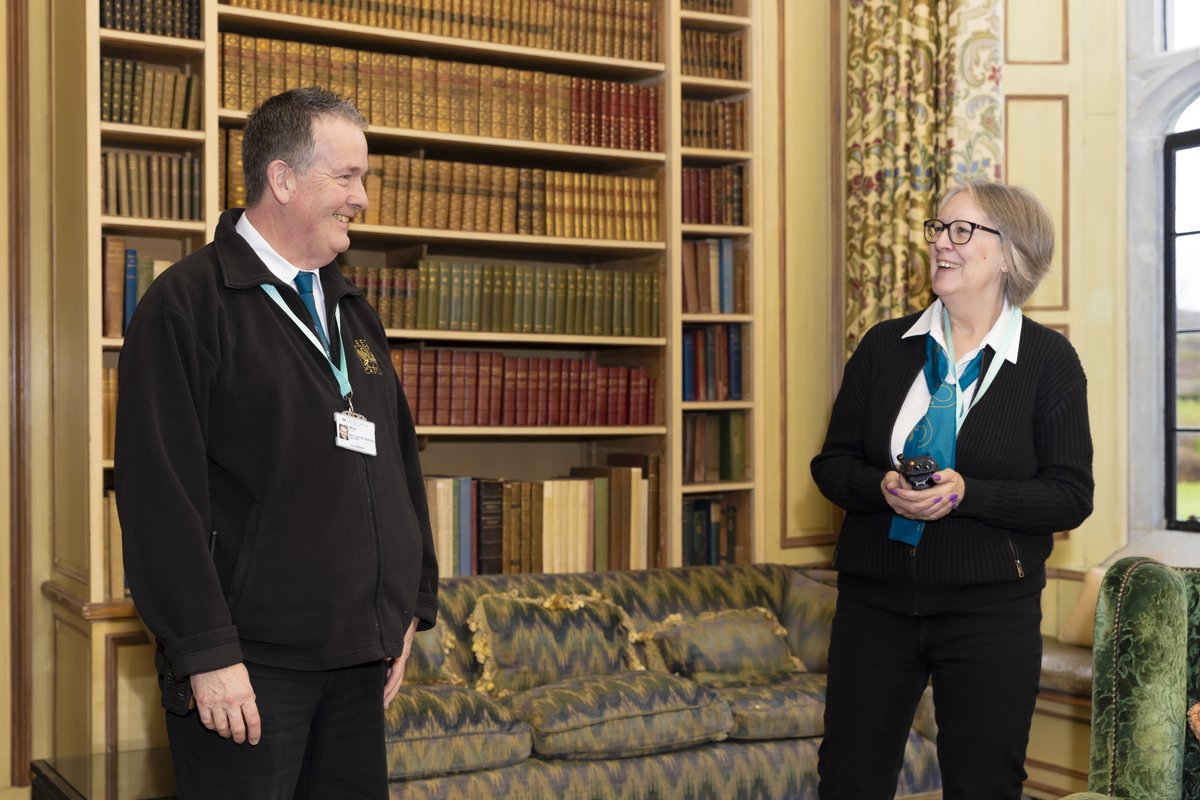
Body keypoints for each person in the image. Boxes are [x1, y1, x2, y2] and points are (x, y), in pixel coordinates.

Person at [114, 87, 439, 799]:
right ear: (283, 179)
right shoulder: (186, 307)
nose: (362, 199)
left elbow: (397, 461)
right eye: (346, 177)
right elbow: (156, 495)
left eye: (365, 178)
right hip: (248, 674)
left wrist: (409, 605)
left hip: (360, 662)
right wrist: (205, 651)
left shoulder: (354, 313)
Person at [810, 181, 1094, 799]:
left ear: (1010, 254)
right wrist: (881, 486)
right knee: (848, 781)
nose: (941, 243)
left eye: (961, 231)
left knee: (984, 787)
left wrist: (970, 493)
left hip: (989, 612)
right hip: (874, 606)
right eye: (938, 229)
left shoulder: (1050, 363)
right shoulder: (885, 347)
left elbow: (1070, 495)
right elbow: (830, 465)